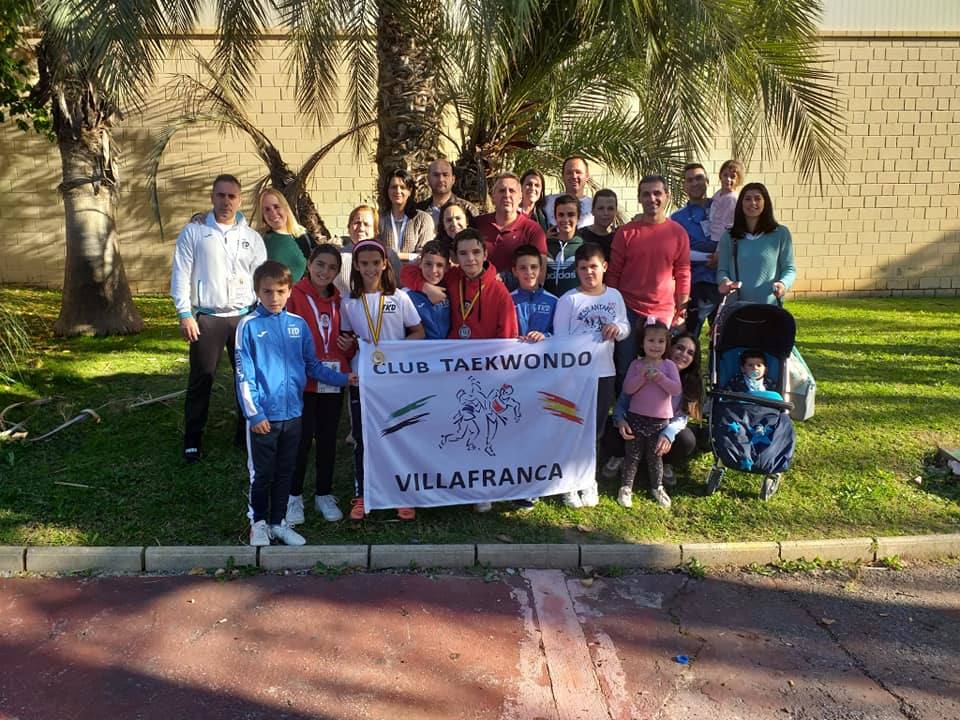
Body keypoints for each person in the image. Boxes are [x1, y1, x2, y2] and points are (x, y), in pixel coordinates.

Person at [236, 261, 356, 547]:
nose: (274, 298)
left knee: (285, 471)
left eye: (280, 291)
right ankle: (258, 524)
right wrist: (254, 415)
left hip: (294, 415)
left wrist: (344, 379)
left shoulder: (298, 325)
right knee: (262, 473)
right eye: (267, 292)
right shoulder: (248, 326)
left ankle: (278, 522)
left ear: (290, 291)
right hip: (264, 417)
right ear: (257, 292)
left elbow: (312, 366)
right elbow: (243, 376)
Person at [401, 228, 519, 513]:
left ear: (485, 254)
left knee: (482, 431)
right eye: (463, 253)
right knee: (449, 425)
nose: (470, 259)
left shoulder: (499, 291)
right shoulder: (451, 277)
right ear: (455, 257)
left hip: (483, 371)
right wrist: (425, 287)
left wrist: (498, 376)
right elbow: (407, 273)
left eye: (476, 252)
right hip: (449, 369)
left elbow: (508, 338)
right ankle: (445, 483)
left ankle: (482, 488)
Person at [171, 174, 267, 463]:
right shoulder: (194, 232)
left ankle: (244, 434)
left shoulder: (252, 238)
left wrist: (260, 315)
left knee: (247, 378)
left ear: (240, 200)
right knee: (202, 378)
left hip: (243, 317)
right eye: (221, 195)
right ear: (212, 197)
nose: (226, 201)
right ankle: (193, 439)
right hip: (208, 319)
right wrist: (185, 313)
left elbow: (261, 277)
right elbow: (181, 274)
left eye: (232, 196)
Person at [341, 240, 425, 520]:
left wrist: (394, 349)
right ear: (356, 265)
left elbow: (418, 332)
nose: (370, 269)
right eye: (364, 263)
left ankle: (402, 494)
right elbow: (348, 341)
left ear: (385, 263)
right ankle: (362, 494)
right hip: (362, 379)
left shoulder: (400, 298)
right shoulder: (349, 302)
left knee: (399, 434)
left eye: (375, 263)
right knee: (364, 439)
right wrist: (347, 345)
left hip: (395, 379)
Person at [553, 242, 630, 508]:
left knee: (595, 431)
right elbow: (559, 341)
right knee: (572, 428)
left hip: (604, 373)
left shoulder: (615, 297)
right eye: (583, 268)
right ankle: (568, 483)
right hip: (575, 377)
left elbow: (626, 327)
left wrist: (617, 329)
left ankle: (589, 481)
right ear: (576, 270)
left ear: (604, 267)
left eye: (594, 267)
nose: (589, 273)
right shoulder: (569, 300)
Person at [285, 244, 355, 525]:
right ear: (309, 263)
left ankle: (324, 493)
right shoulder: (293, 296)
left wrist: (349, 346)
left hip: (333, 381)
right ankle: (293, 496)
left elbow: (349, 342)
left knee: (327, 439)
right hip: (303, 383)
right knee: (300, 441)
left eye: (332, 268)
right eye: (320, 264)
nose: (325, 271)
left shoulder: (342, 302)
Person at [606, 175, 690, 392]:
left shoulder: (678, 233)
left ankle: (656, 415)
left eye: (657, 193)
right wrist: (612, 309)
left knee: (662, 369)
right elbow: (613, 273)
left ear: (667, 197)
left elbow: (683, 271)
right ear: (639, 198)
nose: (652, 198)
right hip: (628, 310)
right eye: (646, 194)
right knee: (625, 366)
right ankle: (622, 414)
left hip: (662, 313)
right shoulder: (626, 233)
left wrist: (681, 307)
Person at [604, 332, 703, 487]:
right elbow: (623, 401)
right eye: (680, 348)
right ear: (669, 347)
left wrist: (668, 433)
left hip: (661, 429)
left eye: (690, 353)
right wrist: (620, 420)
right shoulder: (643, 366)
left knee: (686, 440)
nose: (683, 354)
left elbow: (681, 417)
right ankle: (620, 455)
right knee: (609, 427)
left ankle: (664, 462)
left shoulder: (690, 382)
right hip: (636, 425)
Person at [617, 318, 682, 510]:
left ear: (667, 344)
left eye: (661, 341)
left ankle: (657, 487)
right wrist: (642, 377)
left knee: (655, 457)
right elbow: (628, 389)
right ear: (642, 343)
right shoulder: (636, 365)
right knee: (633, 455)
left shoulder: (669, 366)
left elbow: (676, 390)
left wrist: (660, 378)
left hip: (660, 421)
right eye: (651, 341)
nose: (656, 345)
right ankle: (626, 487)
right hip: (636, 417)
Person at [717, 182, 796, 305]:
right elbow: (722, 270)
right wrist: (724, 282)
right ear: (741, 203)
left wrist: (783, 284)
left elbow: (789, 268)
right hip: (737, 308)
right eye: (747, 199)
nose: (752, 203)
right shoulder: (729, 236)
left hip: (769, 307)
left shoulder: (781, 233)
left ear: (765, 202)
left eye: (758, 198)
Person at [671, 164, 719, 338]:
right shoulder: (677, 219)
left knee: (723, 337)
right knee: (689, 337)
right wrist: (710, 258)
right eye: (689, 180)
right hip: (696, 284)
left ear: (707, 181)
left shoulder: (724, 208)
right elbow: (678, 253)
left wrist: (722, 257)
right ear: (684, 186)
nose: (695, 183)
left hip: (724, 283)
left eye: (699, 178)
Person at [474, 173, 547, 273]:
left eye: (512, 191)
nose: (507, 195)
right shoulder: (478, 224)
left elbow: (539, 273)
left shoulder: (533, 230)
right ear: (493, 196)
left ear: (520, 197)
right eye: (502, 191)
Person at [256, 188, 314, 282]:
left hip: (302, 295)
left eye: (276, 206)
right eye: (267, 209)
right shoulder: (261, 240)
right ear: (262, 216)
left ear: (285, 207)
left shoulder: (302, 236)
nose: (273, 213)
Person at [378, 168, 435, 254]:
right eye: (393, 187)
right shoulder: (379, 219)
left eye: (403, 187)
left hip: (413, 267)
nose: (398, 191)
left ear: (410, 191)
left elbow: (424, 254)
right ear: (387, 191)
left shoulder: (423, 219)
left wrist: (396, 257)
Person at [403, 240, 451, 339]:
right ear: (420, 263)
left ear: (447, 267)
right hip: (420, 351)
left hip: (448, 351)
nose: (433, 270)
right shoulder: (406, 295)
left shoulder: (451, 286)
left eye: (439, 265)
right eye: (428, 264)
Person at [511, 244, 557, 343]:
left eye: (534, 267)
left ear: (540, 269)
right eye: (523, 268)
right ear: (515, 271)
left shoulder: (554, 301)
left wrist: (545, 336)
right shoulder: (508, 300)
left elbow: (561, 333)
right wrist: (514, 339)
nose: (529, 272)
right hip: (516, 356)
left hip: (545, 356)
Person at [415, 158, 480, 226]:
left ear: (453, 179)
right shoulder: (418, 210)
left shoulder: (468, 210)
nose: (441, 179)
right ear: (428, 179)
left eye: (445, 175)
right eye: (436, 175)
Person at [544, 194, 584, 297]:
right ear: (555, 216)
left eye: (571, 215)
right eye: (561, 215)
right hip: (549, 306)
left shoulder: (584, 246)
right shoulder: (544, 245)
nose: (566, 219)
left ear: (578, 217)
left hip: (575, 306)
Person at [544, 156, 595, 228]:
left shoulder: (596, 206)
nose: (574, 176)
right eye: (569, 173)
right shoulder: (547, 202)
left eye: (578, 172)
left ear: (587, 176)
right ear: (563, 176)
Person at [708, 159, 744, 246]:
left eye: (732, 177)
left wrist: (720, 248)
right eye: (725, 175)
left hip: (719, 240)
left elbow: (727, 225)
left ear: (738, 180)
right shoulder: (719, 193)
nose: (728, 179)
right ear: (720, 176)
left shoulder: (731, 198)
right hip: (711, 234)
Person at [579, 188, 618, 260]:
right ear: (593, 211)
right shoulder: (580, 236)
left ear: (616, 211)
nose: (605, 213)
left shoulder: (620, 237)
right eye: (601, 208)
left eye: (610, 209)